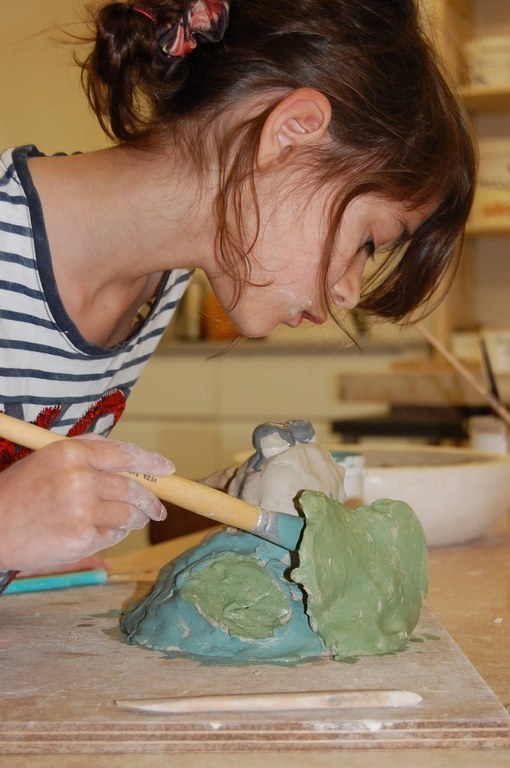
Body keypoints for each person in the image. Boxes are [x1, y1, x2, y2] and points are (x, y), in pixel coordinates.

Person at [0, 0, 476, 590]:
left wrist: (36, 547)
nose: (349, 292)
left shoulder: (158, 281)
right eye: (368, 242)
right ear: (292, 132)